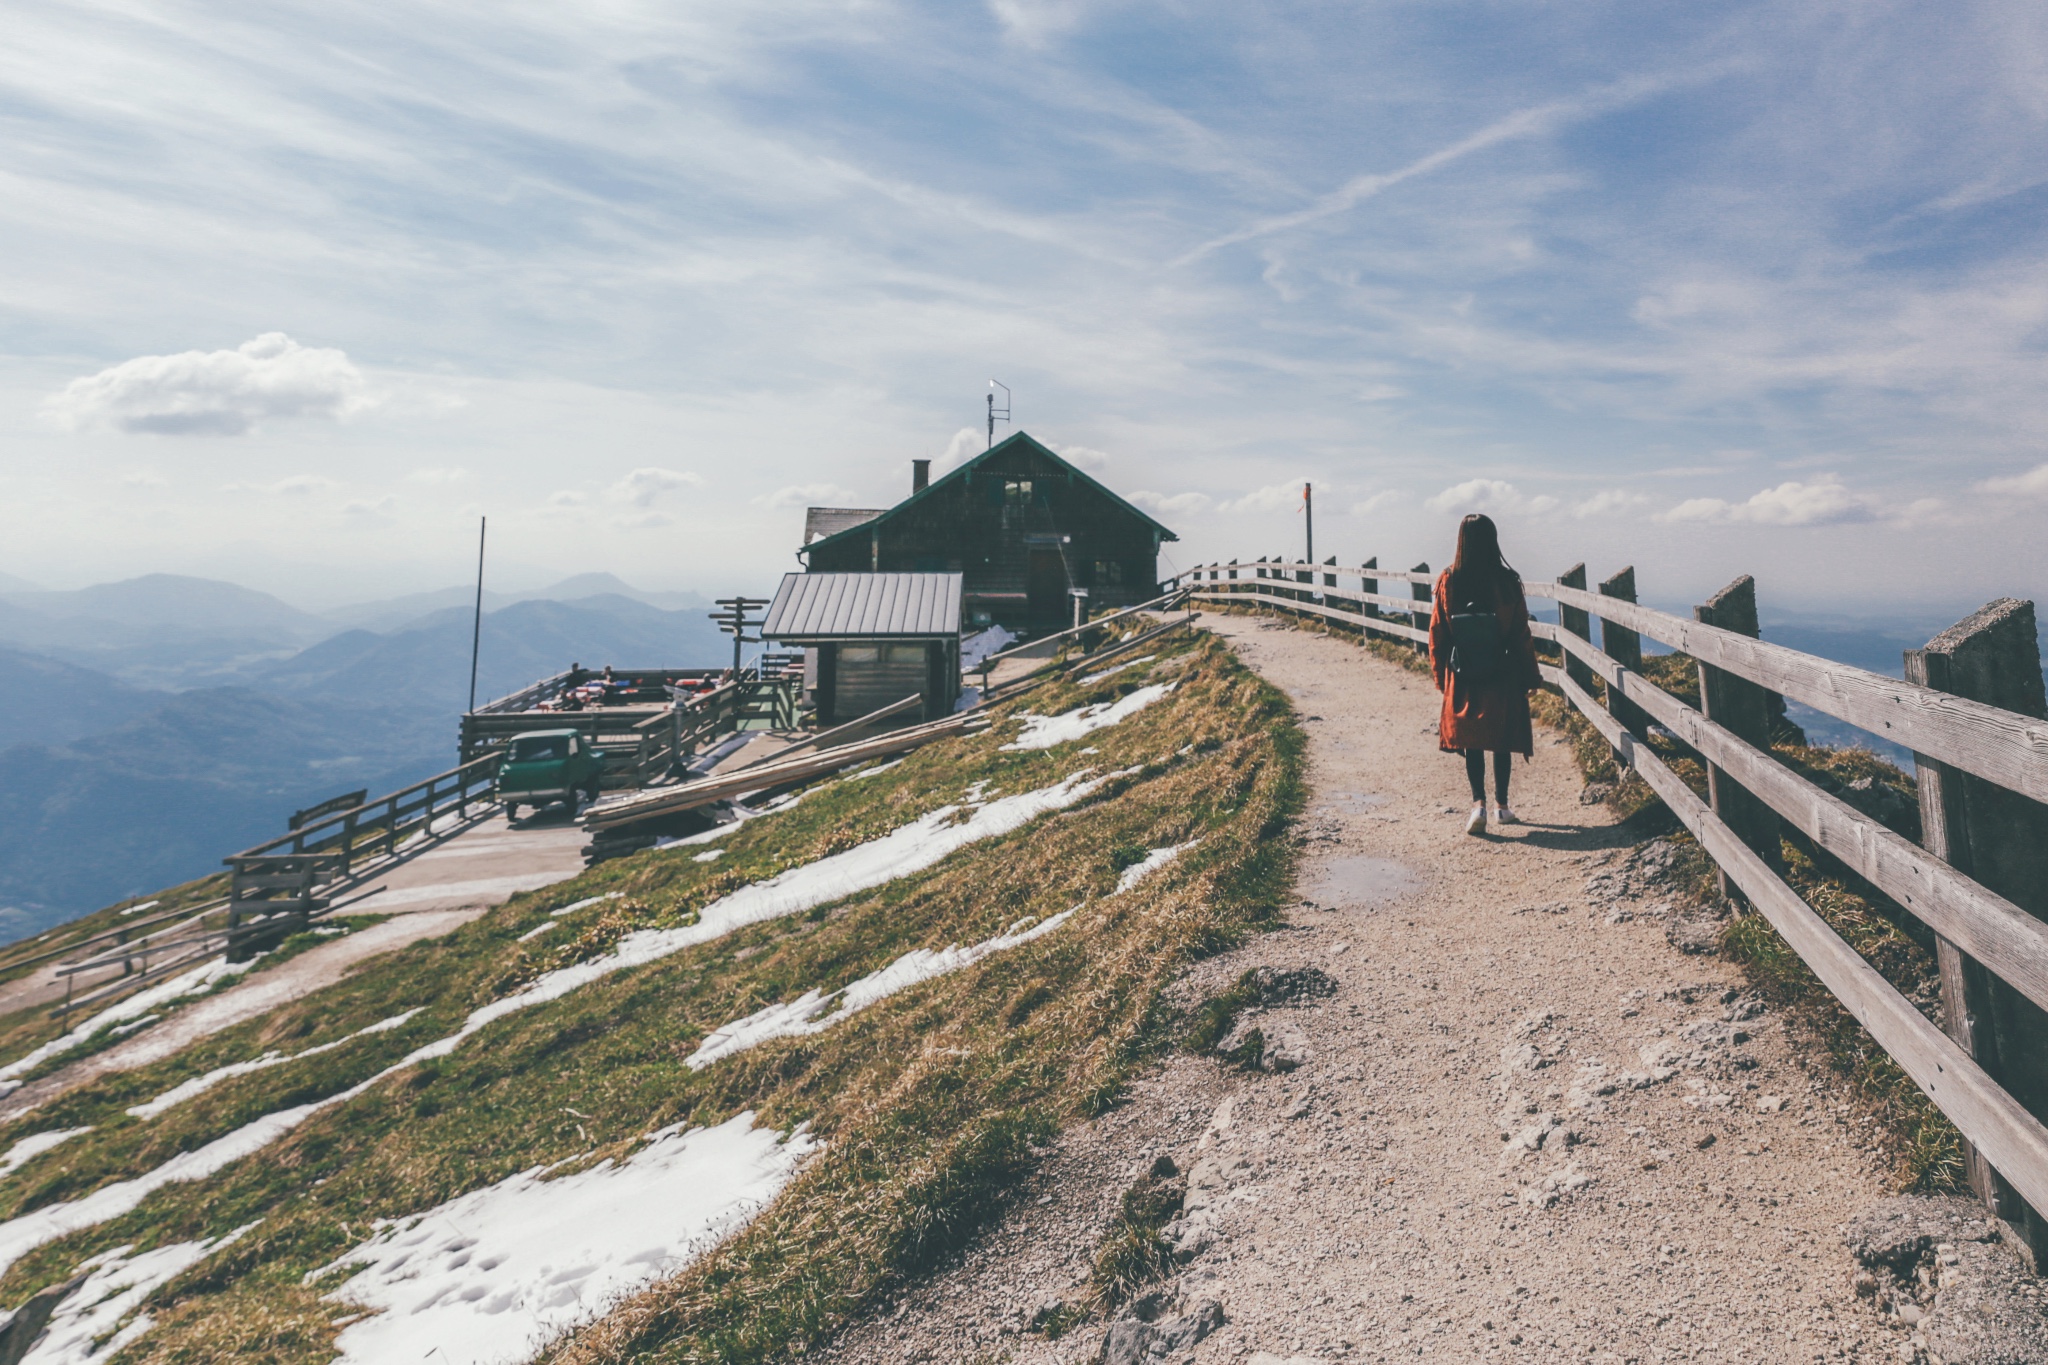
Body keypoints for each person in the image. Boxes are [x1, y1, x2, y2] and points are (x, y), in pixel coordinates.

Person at [1428, 513, 1540, 836]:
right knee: (1500, 738)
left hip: (1463, 674)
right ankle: (1502, 807)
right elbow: (1521, 633)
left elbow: (1437, 635)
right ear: (1493, 540)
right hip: (1502, 670)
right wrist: (1530, 677)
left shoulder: (1449, 580)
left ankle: (1478, 804)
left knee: (1472, 741)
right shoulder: (1507, 582)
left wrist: (1441, 679)